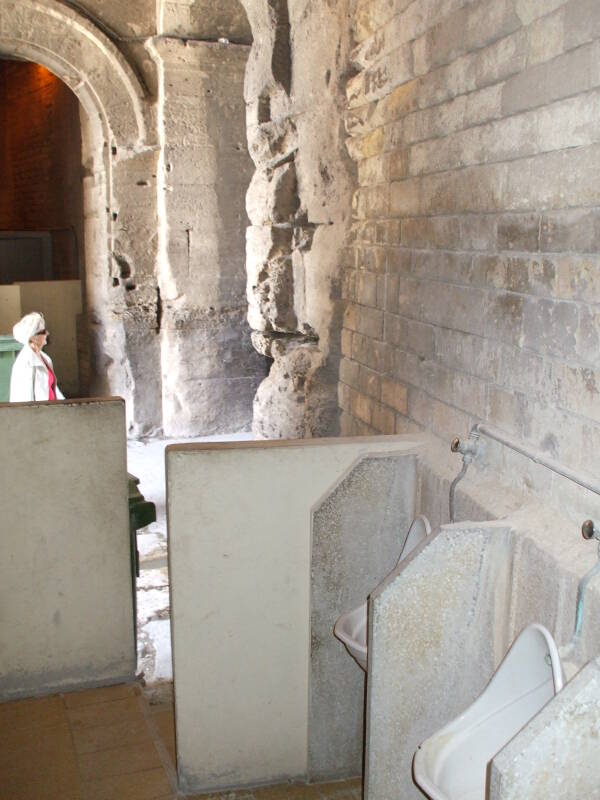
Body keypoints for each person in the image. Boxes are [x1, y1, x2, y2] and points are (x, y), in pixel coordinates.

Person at [9, 312, 64, 402]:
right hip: (39, 413)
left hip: (51, 410)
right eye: (43, 332)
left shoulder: (45, 358)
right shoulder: (25, 363)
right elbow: (24, 398)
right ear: (32, 337)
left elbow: (52, 389)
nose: (47, 333)